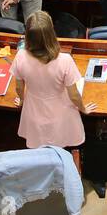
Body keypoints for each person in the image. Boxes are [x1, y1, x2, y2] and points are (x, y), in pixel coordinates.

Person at [12, 11, 95, 149]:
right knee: (61, 148)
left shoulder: (20, 56)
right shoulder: (65, 60)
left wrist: (21, 100)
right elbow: (74, 95)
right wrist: (83, 108)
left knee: (39, 150)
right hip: (61, 115)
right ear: (51, 33)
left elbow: (19, 88)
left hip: (34, 111)